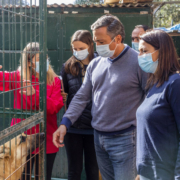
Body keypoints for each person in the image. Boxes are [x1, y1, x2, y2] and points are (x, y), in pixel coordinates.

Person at [53, 14, 147, 180]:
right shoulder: (96, 64)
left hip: (125, 139)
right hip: (99, 138)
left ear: (117, 38)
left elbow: (150, 99)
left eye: (101, 42)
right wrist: (65, 123)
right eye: (95, 41)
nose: (96, 46)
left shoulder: (138, 62)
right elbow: (82, 97)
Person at [0, 42, 64, 180]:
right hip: (22, 140)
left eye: (45, 57)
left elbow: (55, 107)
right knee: (23, 177)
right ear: (28, 63)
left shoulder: (54, 80)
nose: (45, 61)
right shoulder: (18, 77)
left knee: (44, 176)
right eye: (40, 59)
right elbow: (1, 79)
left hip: (45, 136)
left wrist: (34, 94)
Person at [136, 30, 180, 180]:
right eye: (139, 51)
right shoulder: (154, 84)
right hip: (147, 173)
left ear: (162, 52)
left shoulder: (175, 84)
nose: (140, 55)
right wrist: (141, 171)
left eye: (144, 51)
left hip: (165, 174)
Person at [60, 30, 99, 180]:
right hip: (73, 127)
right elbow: (65, 93)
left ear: (90, 45)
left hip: (94, 126)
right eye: (75, 49)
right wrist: (61, 95)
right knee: (74, 170)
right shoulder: (67, 67)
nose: (78, 52)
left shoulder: (101, 63)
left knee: (93, 170)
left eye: (81, 48)